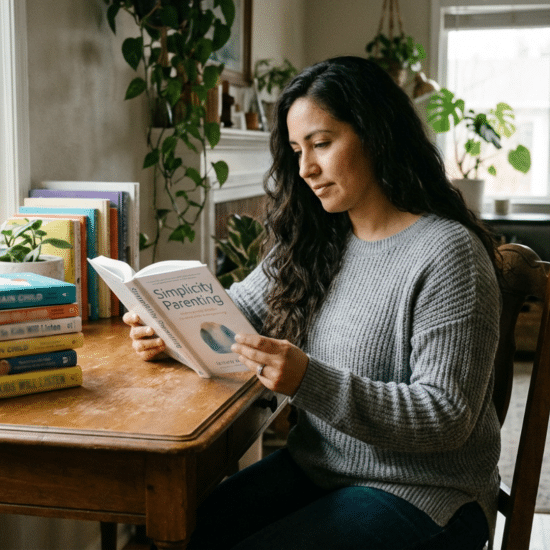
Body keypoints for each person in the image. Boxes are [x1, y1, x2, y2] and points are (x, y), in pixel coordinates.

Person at [124, 56, 502, 550]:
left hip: (426, 494)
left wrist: (308, 379)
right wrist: (167, 327)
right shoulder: (317, 238)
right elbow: (236, 314)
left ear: (376, 134)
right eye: (298, 150)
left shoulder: (448, 254)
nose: (306, 168)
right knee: (186, 529)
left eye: (322, 144)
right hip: (319, 468)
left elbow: (447, 415)